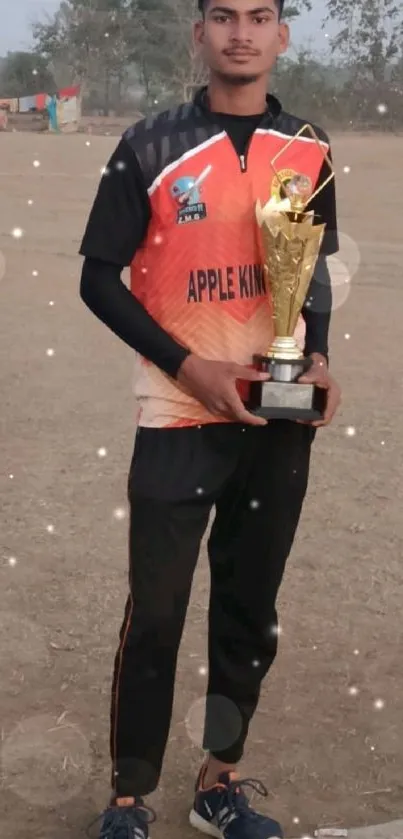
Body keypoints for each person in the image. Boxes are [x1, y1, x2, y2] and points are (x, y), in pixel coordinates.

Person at [79, 1, 342, 837]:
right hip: (176, 412)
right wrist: (190, 365)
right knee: (155, 611)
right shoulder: (148, 146)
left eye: (258, 15)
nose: (240, 31)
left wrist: (321, 359)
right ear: (198, 32)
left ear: (280, 35)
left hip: (276, 420)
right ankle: (128, 797)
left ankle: (217, 783)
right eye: (222, 15)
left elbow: (313, 275)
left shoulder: (310, 147)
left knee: (248, 607)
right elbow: (98, 279)